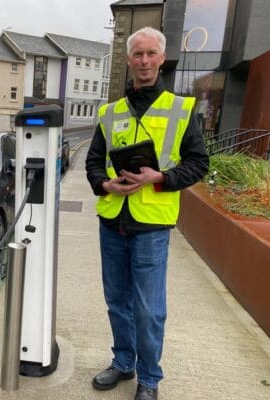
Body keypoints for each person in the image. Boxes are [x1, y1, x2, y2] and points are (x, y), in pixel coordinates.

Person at [85, 27, 209, 400]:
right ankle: (123, 363)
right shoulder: (109, 112)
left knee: (149, 310)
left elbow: (199, 163)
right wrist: (106, 184)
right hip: (112, 221)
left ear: (161, 58)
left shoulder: (181, 109)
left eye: (150, 54)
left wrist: (162, 177)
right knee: (117, 302)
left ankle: (149, 378)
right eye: (137, 54)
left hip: (152, 225)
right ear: (128, 60)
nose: (144, 61)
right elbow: (93, 163)